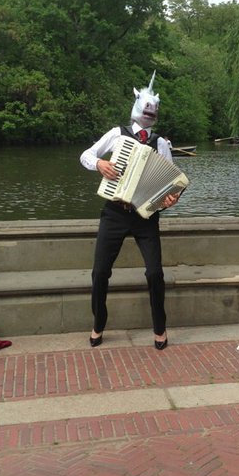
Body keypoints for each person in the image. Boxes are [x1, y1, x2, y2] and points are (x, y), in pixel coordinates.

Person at [80, 72, 181, 350]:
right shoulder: (117, 134)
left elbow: (170, 182)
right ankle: (98, 323)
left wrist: (170, 199)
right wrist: (99, 165)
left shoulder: (160, 143)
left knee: (155, 273)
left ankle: (159, 328)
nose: (150, 114)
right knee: (100, 272)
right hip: (114, 211)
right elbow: (86, 155)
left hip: (145, 216)